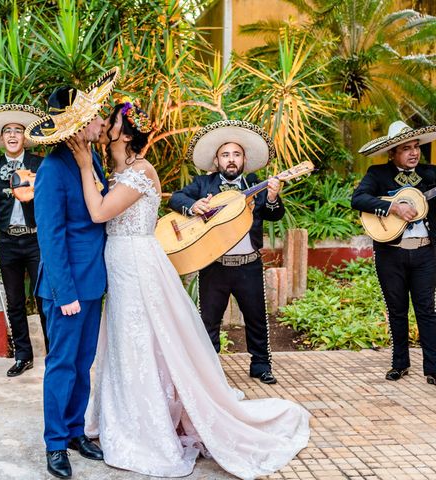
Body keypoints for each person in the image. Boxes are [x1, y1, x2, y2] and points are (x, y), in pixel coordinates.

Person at [67, 103, 309, 479]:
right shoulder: (115, 171)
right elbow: (171, 202)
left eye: (109, 122)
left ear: (125, 134)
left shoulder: (140, 170)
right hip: (118, 261)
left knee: (143, 340)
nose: (101, 126)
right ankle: (125, 413)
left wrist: (84, 166)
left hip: (137, 263)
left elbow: (99, 213)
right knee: (126, 341)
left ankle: (151, 425)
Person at [25, 67, 119, 479]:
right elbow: (51, 239)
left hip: (92, 281)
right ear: (78, 126)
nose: (102, 122)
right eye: (96, 118)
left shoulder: (90, 159)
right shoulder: (50, 172)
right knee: (62, 365)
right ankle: (55, 444)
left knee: (83, 364)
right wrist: (65, 294)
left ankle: (77, 430)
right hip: (66, 290)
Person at [168, 120, 284, 384]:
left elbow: (274, 215)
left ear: (244, 159)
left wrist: (274, 197)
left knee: (256, 318)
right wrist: (194, 205)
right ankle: (209, 370)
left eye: (236, 154)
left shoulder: (258, 184)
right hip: (215, 264)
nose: (231, 160)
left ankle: (260, 365)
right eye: (225, 155)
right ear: (217, 160)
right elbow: (176, 198)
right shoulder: (202, 184)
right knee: (209, 321)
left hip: (249, 264)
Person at [352, 120, 436, 386]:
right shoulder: (377, 174)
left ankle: (433, 368)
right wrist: (393, 208)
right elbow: (358, 199)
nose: (414, 153)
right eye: (406, 148)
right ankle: (399, 364)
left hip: (425, 253)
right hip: (391, 253)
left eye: (416, 147)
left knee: (427, 310)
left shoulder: (432, 174)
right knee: (397, 309)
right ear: (393, 153)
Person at [0, 103, 49, 376]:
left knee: (44, 299)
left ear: (25, 137)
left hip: (36, 241)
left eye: (18, 130)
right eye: (8, 131)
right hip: (7, 243)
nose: (13, 135)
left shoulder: (41, 164)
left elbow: (53, 201)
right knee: (15, 301)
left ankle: (54, 356)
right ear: (2, 138)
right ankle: (23, 356)